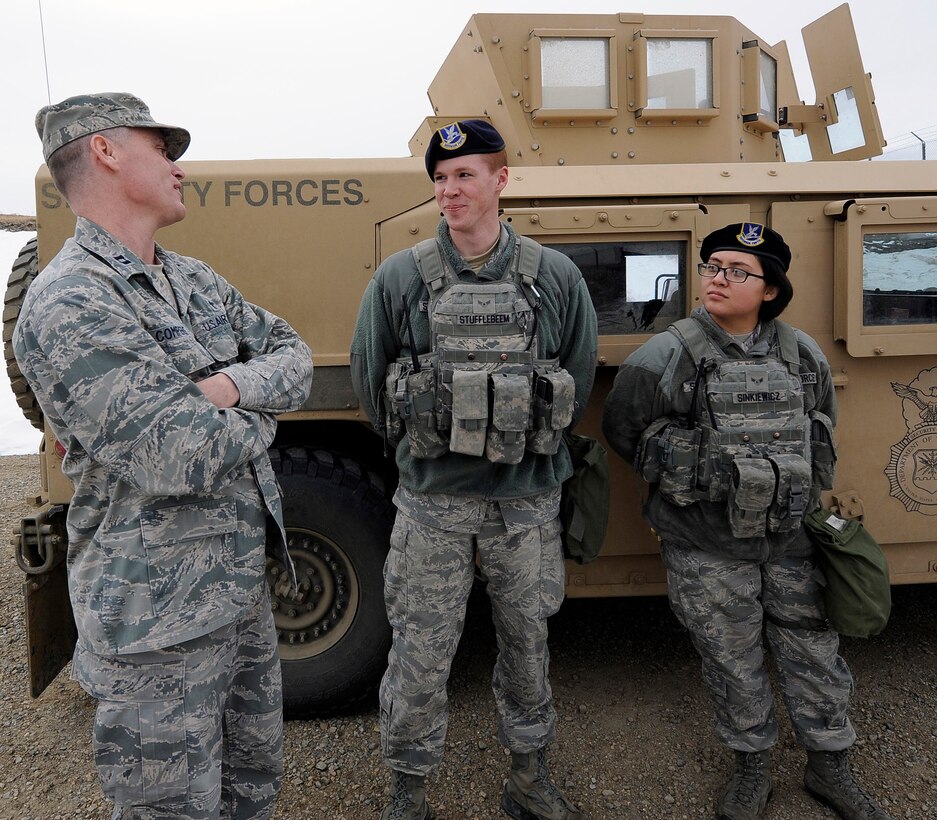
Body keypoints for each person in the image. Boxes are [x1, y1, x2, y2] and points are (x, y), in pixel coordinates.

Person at [14, 93, 313, 819]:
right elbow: (174, 451)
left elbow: (295, 358)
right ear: (106, 152)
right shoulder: (69, 302)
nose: (180, 166)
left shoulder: (192, 279)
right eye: (162, 148)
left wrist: (221, 388)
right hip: (156, 626)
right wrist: (260, 415)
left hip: (236, 595)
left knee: (250, 794)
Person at [350, 119, 598, 820]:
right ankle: (407, 789)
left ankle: (528, 776)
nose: (449, 190)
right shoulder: (401, 277)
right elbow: (373, 388)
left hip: (524, 506)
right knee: (420, 654)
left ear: (500, 180)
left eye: (464, 175)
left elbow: (574, 374)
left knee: (527, 646)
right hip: (433, 505)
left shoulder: (554, 277)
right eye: (439, 178)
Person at [601, 222, 891, 820]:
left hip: (791, 540)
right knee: (731, 658)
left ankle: (829, 763)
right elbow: (623, 430)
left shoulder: (801, 353)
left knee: (814, 650)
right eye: (711, 266)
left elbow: (820, 430)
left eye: (737, 271)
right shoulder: (667, 354)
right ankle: (751, 764)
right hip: (707, 544)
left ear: (770, 290)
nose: (718, 278)